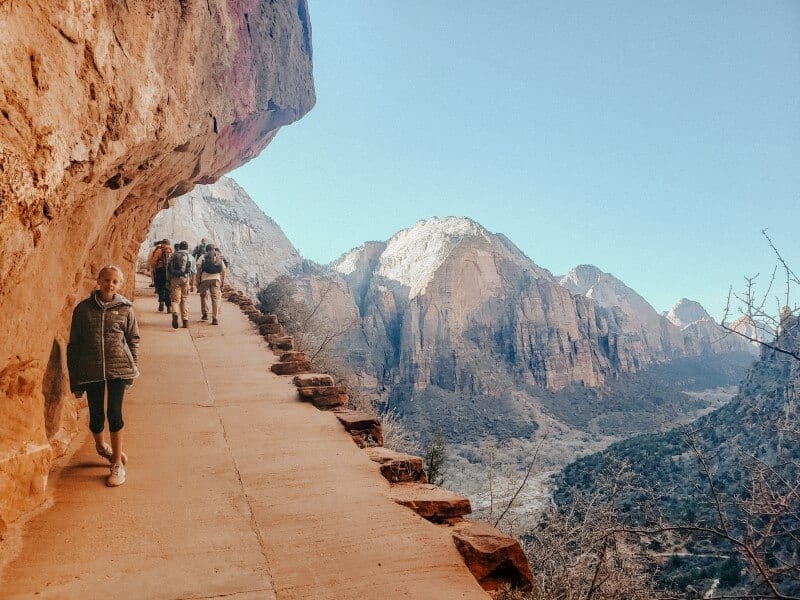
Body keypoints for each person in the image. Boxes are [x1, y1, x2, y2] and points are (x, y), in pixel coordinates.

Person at [67, 265, 139, 487]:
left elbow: (132, 339)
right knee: (97, 415)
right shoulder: (83, 310)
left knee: (114, 413)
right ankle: (101, 447)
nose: (110, 284)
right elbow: (74, 346)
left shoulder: (126, 309)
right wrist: (75, 379)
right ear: (98, 280)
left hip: (118, 369)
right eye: (107, 280)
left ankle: (116, 462)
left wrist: (133, 367)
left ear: (120, 284)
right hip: (91, 369)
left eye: (115, 281)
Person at [167, 241, 195, 329]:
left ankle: (175, 312)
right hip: (185, 279)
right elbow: (193, 271)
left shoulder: (173, 255)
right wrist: (192, 284)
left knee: (175, 300)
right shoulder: (190, 257)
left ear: (179, 247)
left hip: (175, 279)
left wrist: (168, 280)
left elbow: (167, 269)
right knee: (184, 299)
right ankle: (185, 321)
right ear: (187, 248)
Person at [196, 244, 226, 325]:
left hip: (205, 279)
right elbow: (223, 270)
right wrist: (222, 281)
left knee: (203, 296)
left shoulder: (203, 256)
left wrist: (197, 280)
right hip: (216, 279)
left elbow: (198, 267)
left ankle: (205, 314)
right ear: (214, 250)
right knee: (215, 298)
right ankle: (215, 318)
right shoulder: (218, 256)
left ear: (206, 250)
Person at [149, 239, 173, 312]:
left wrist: (153, 268)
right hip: (168, 271)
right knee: (168, 288)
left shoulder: (158, 250)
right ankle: (169, 306)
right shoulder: (171, 250)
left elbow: (153, 261)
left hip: (160, 270)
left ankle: (161, 301)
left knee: (160, 287)